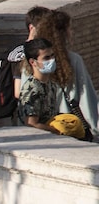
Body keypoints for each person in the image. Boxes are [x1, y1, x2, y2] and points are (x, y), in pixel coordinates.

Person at [35, 9, 99, 137]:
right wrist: (95, 129)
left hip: (42, 127)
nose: (72, 32)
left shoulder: (31, 62)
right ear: (63, 33)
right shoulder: (73, 60)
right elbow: (87, 99)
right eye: (70, 29)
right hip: (68, 125)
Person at [17, 38, 62, 132]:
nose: (52, 60)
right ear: (33, 62)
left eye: (52, 56)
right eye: (46, 58)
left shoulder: (51, 84)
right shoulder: (31, 90)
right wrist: (58, 131)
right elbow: (31, 124)